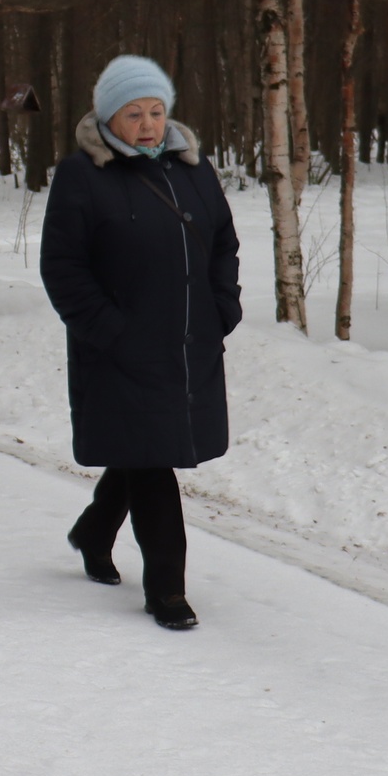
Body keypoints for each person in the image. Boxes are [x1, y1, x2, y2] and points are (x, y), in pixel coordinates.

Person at [38, 55, 239, 631]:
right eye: (134, 113)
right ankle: (167, 591)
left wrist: (222, 307)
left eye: (156, 111)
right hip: (120, 350)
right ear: (108, 118)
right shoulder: (83, 175)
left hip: (188, 342)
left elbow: (223, 243)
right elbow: (64, 268)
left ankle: (94, 532)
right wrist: (110, 330)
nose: (148, 124)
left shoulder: (193, 169)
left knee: (145, 447)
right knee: (154, 462)